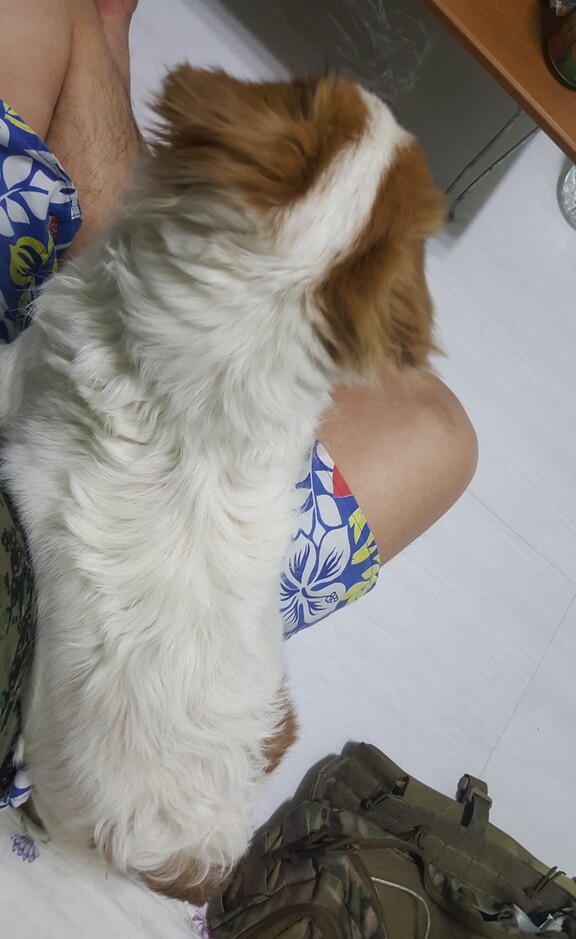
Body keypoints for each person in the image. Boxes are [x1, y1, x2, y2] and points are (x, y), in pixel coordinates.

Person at [0, 0, 477, 802]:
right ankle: (108, 100)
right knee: (437, 432)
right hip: (77, 712)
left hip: (55, 650)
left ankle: (104, 73)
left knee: (36, 14)